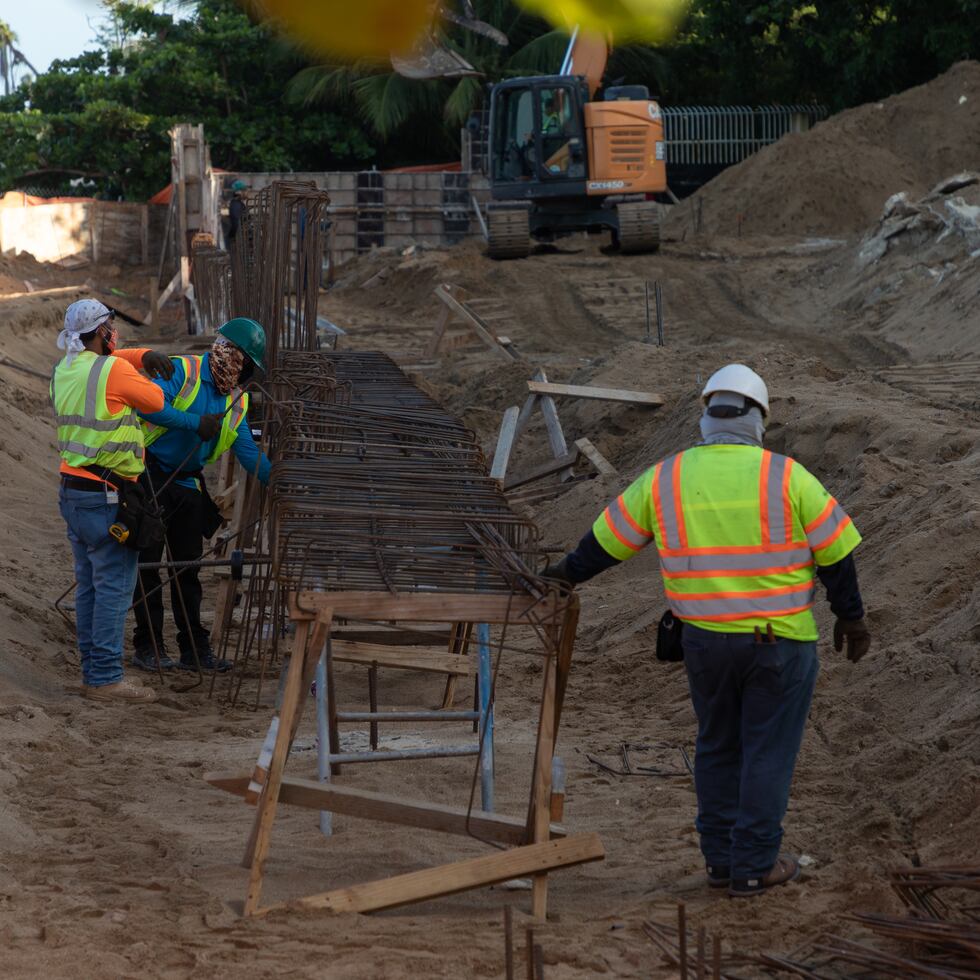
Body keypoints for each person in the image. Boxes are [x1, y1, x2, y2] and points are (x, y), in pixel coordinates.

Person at [544, 364, 871, 897]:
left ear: (705, 420)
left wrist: (562, 576)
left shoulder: (666, 477)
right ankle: (754, 866)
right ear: (759, 421)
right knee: (766, 752)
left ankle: (721, 861)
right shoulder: (787, 477)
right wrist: (850, 616)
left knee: (718, 746)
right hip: (779, 644)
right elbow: (837, 554)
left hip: (704, 644)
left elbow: (604, 545)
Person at [51, 300, 206, 704]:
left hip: (73, 490)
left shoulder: (66, 368)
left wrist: (140, 355)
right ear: (102, 333)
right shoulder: (114, 370)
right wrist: (138, 364)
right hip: (107, 496)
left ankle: (92, 670)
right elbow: (156, 402)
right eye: (112, 330)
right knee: (115, 589)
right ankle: (104, 678)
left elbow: (103, 363)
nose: (116, 336)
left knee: (89, 587)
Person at [132, 317, 271, 674]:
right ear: (233, 355)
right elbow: (149, 406)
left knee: (187, 570)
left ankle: (194, 648)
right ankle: (148, 645)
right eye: (248, 366)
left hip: (187, 485)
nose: (248, 376)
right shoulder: (182, 371)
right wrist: (194, 423)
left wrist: (282, 479)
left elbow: (249, 454)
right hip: (148, 477)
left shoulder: (235, 402)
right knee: (147, 567)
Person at [225, 179, 248, 248]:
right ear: (239, 192)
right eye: (245, 190)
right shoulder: (236, 205)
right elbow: (236, 224)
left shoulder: (237, 204)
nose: (247, 192)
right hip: (237, 243)